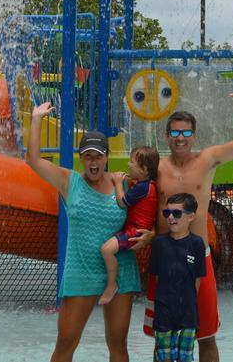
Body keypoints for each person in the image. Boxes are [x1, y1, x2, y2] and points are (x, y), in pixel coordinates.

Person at [140, 72, 233, 362]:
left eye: (186, 133)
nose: (180, 139)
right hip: (164, 260)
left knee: (206, 337)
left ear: (193, 136)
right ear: (167, 135)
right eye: (175, 133)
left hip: (198, 258)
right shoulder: (157, 166)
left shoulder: (206, 160)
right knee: (163, 337)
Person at [25, 101, 148, 362]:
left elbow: (150, 211)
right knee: (65, 344)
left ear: (106, 158)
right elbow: (33, 160)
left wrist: (150, 235)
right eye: (88, 156)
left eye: (98, 156)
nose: (94, 162)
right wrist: (36, 119)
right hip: (81, 271)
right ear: (82, 158)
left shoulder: (124, 183)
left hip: (121, 271)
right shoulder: (69, 181)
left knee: (118, 345)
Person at [148, 193, 207, 362]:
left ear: (191, 216)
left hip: (187, 314)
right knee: (163, 356)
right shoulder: (159, 243)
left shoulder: (196, 244)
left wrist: (188, 303)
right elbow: (158, 277)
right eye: (167, 213)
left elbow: (197, 279)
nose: (171, 217)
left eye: (177, 213)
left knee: (186, 356)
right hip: (163, 311)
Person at [98, 145, 159, 305]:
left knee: (106, 250)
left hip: (136, 232)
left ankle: (112, 285)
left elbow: (122, 202)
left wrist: (118, 183)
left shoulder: (141, 188)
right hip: (136, 229)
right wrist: (127, 179)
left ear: (144, 169)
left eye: (132, 162)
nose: (128, 165)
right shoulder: (147, 184)